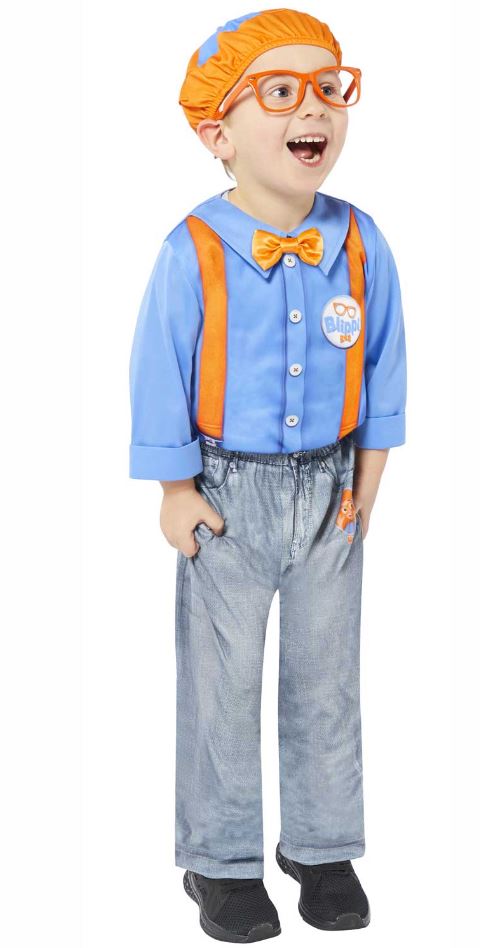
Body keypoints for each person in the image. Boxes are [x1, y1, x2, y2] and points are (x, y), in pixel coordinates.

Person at [129, 8, 407, 942]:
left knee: (328, 679)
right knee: (222, 685)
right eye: (281, 92)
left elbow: (385, 366)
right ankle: (220, 861)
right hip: (227, 496)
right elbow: (160, 370)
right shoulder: (192, 248)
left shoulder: (360, 241)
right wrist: (176, 490)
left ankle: (322, 848)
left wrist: (368, 481)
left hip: (333, 494)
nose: (314, 108)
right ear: (219, 133)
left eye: (329, 87)